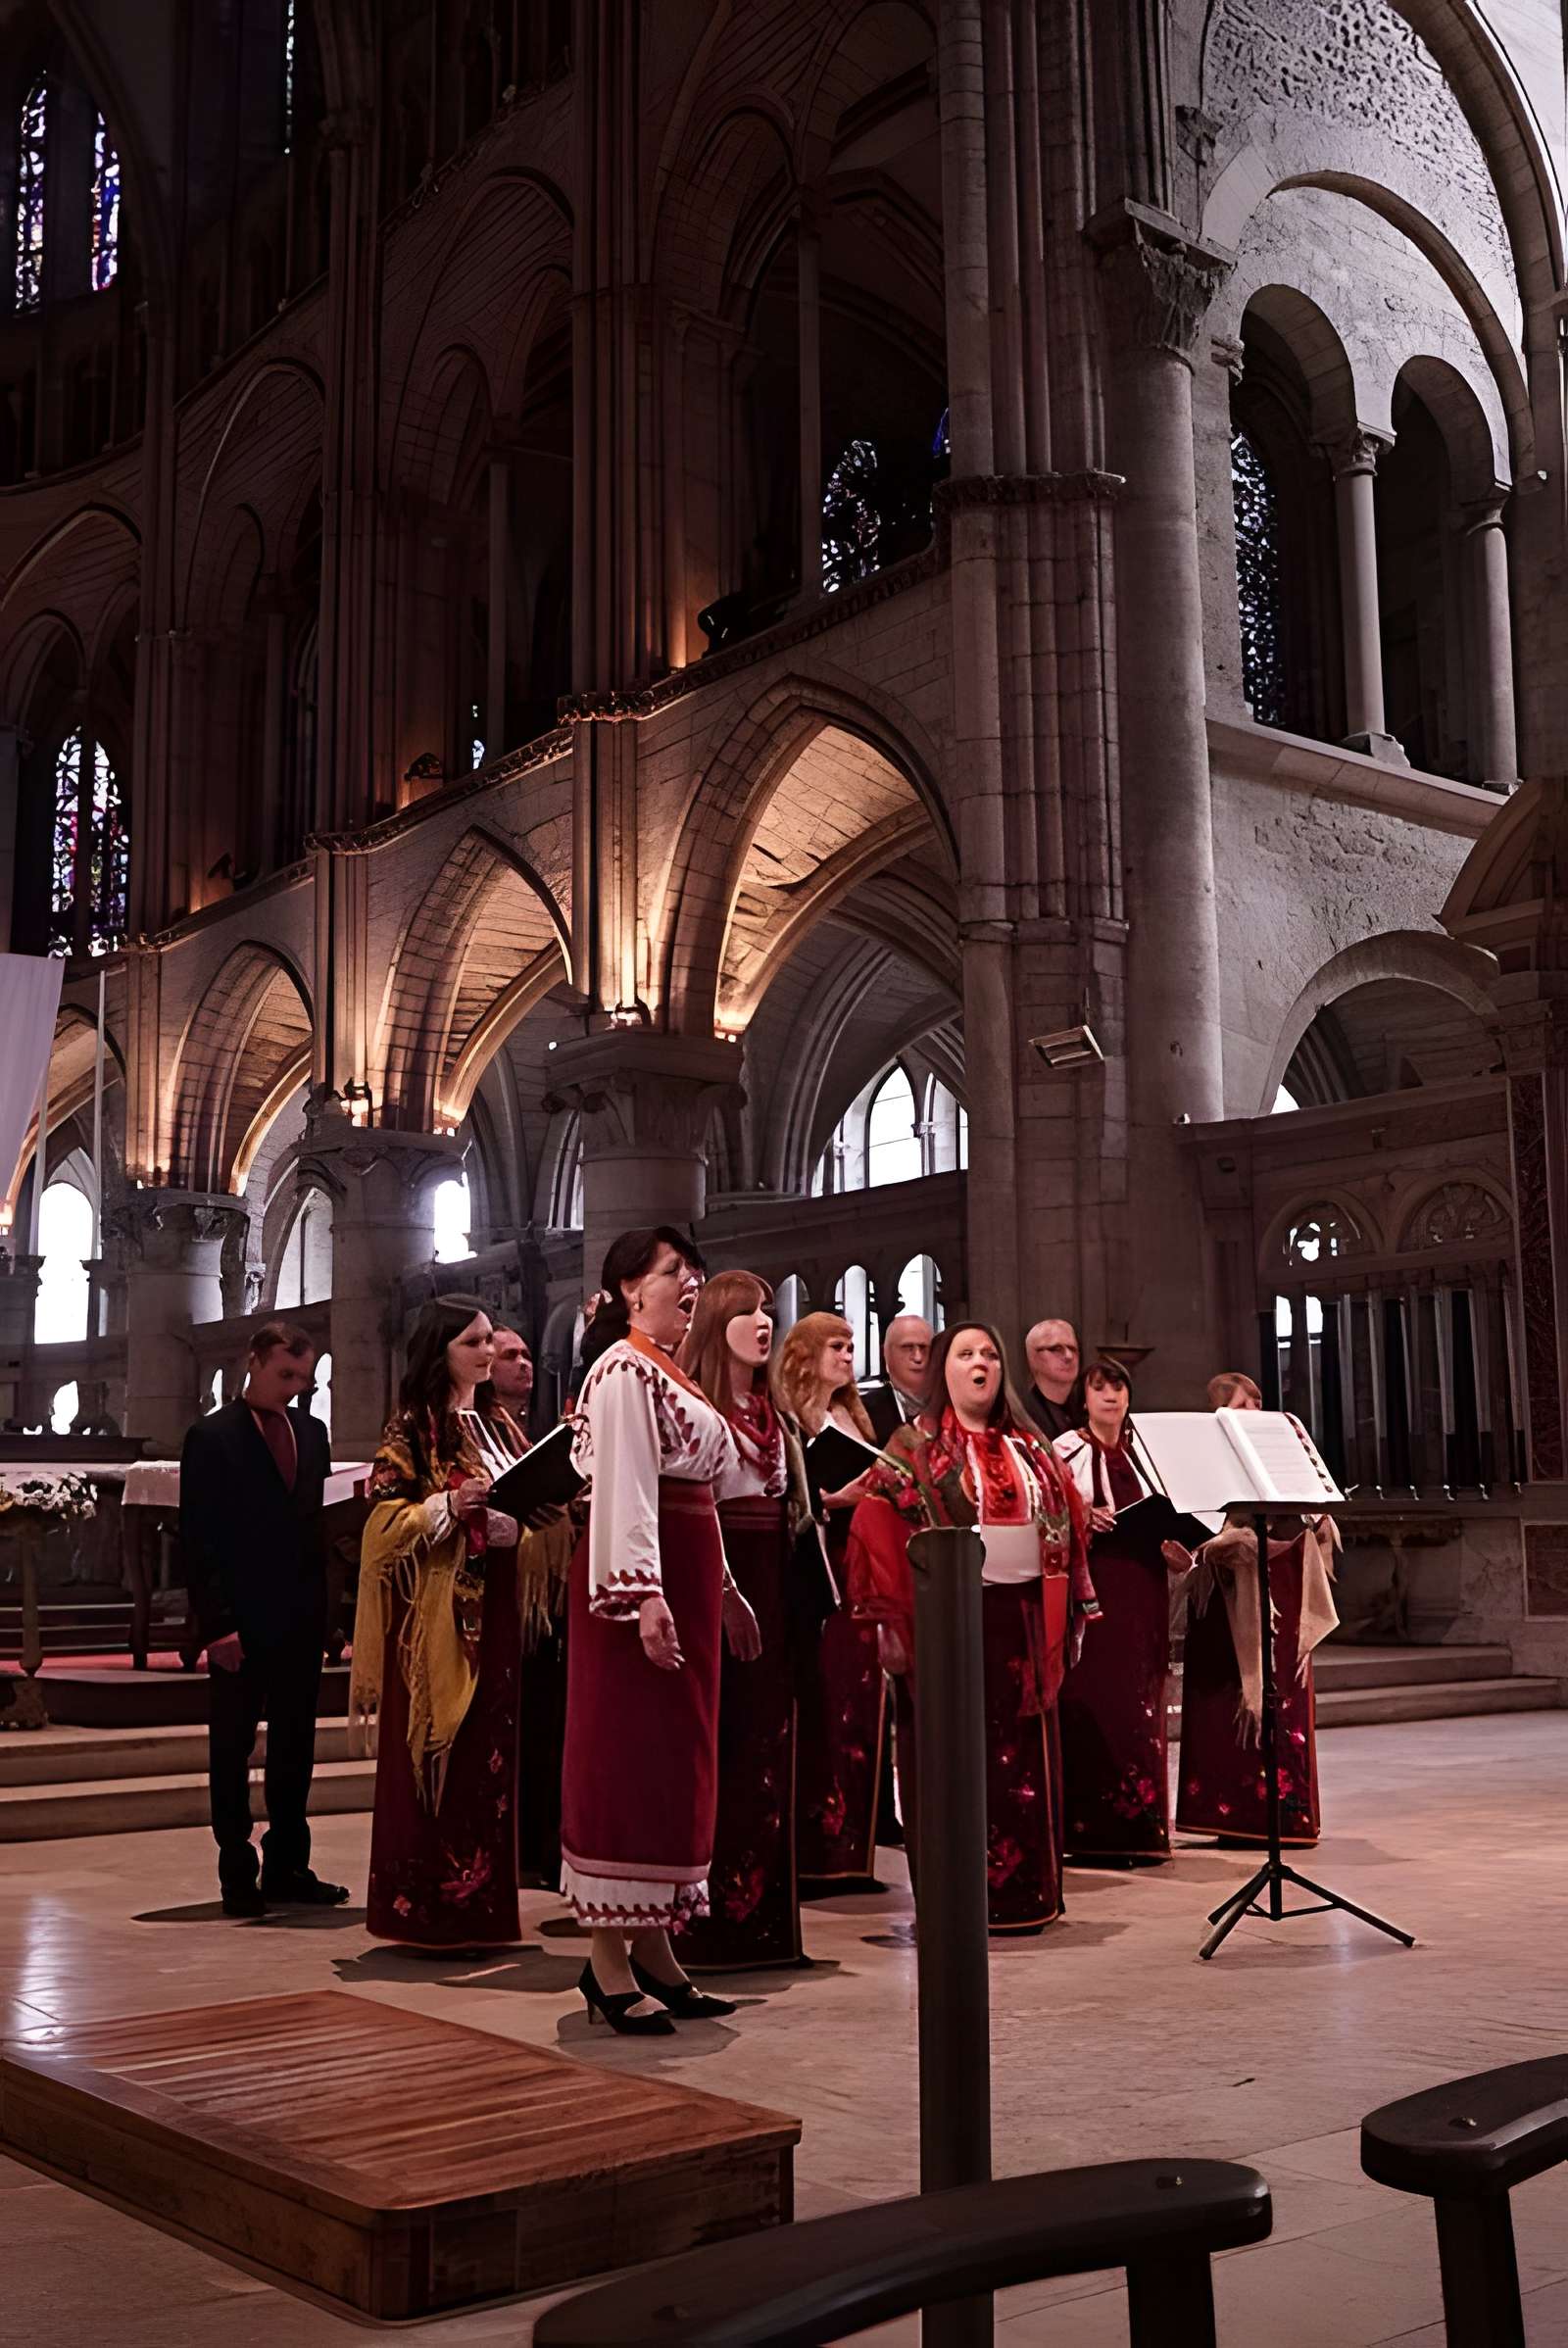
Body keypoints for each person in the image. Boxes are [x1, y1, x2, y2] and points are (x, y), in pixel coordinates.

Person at [563, 1228, 761, 2034]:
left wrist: (725, 1587)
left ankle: (654, 1951)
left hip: (684, 1572)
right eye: (672, 1271)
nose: (690, 1282)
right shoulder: (622, 1369)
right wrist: (642, 1595)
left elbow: (703, 1497)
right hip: (636, 1584)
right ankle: (606, 1961)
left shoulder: (674, 1374)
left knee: (675, 1761)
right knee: (629, 1756)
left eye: (692, 1271)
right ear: (626, 1290)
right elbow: (627, 1488)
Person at [847, 1322, 1098, 1933]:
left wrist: (1076, 1597)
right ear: (945, 1371)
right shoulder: (915, 1445)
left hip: (1024, 1624)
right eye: (965, 1354)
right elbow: (876, 1518)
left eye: (989, 1352)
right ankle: (959, 1901)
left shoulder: (1033, 1447)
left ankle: (1027, 1895)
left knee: (1023, 1767)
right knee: (959, 1761)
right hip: (952, 1628)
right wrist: (891, 1623)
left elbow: (1069, 1515)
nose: (980, 1362)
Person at [351, 1296, 569, 1950]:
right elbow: (381, 1527)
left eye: (487, 1342)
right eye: (472, 1342)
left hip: (498, 1613)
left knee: (490, 1763)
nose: (485, 1352)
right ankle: (427, 1912)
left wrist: (515, 1531)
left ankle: (484, 1910)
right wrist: (447, 1507)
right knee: (439, 1759)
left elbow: (539, 1517)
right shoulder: (413, 1428)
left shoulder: (500, 1427)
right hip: (433, 1621)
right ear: (440, 1350)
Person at [179, 1321, 348, 1918]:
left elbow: (319, 1531)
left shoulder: (311, 1431)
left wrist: (333, 1614)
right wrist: (218, 1625)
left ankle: (288, 1865)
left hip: (300, 1614)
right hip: (241, 1619)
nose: (295, 1389)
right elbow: (199, 1540)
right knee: (232, 1746)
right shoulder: (212, 1436)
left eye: (302, 1379)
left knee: (295, 1746)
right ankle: (236, 1869)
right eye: (285, 1376)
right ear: (253, 1361)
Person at [677, 1270, 810, 1971]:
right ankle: (705, 1930)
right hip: (718, 1588)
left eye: (769, 1312)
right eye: (748, 1313)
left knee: (766, 1751)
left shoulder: (774, 1417)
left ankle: (764, 1927)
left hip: (776, 1591)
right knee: (720, 1752)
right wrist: (725, 1594)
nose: (765, 1324)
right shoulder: (695, 1410)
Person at [1176, 1371, 1339, 1848]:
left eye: (1259, 1401)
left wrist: (1318, 1516)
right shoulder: (1203, 1458)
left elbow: (1312, 1512)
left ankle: (1284, 1815)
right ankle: (1225, 1812)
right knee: (1225, 1699)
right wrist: (1221, 1543)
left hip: (1282, 1586)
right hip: (1223, 1601)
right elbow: (1196, 1529)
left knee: (1284, 1694)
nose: (1255, 1410)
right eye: (1244, 1404)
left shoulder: (1283, 1450)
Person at [773, 1311, 892, 1890]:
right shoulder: (791, 1417)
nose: (847, 1356)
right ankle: (821, 1850)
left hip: (860, 1565)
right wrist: (826, 1496)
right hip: (818, 1568)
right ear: (805, 1354)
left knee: (863, 1702)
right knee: (826, 1700)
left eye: (850, 1346)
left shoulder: (853, 1415)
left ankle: (857, 1851)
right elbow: (792, 1497)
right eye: (836, 1346)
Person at [1054, 1358, 1187, 1864]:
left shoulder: (1147, 1454)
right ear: (1083, 1398)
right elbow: (1049, 1513)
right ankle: (1091, 1832)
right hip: (1098, 1589)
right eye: (1099, 1386)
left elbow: (1174, 1513)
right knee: (1098, 1699)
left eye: (1119, 1386)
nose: (1110, 1395)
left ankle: (1143, 1831)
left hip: (1144, 1585)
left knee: (1142, 1704)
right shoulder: (1064, 1451)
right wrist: (1083, 1516)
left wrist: (1179, 1546)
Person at [861, 1314, 933, 1443]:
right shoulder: (862, 1412)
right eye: (907, 1348)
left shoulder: (953, 1407)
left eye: (924, 1348)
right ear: (885, 1352)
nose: (918, 1357)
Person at [1023, 1319, 1082, 1443]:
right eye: (1056, 1349)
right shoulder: (1020, 1416)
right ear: (1033, 1357)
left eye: (1073, 1349)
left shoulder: (1089, 1408)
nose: (1069, 1356)